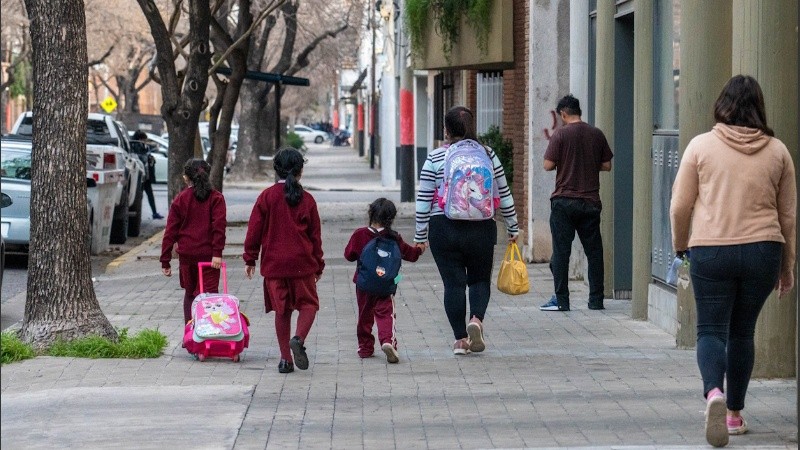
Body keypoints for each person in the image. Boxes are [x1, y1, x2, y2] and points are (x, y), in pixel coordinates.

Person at [670, 75, 796, 447]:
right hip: (763, 250)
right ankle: (735, 415)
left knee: (710, 330)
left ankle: (713, 393)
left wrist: (681, 245)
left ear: (721, 105)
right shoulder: (778, 151)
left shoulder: (700, 146)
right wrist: (787, 265)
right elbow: (788, 215)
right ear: (759, 107)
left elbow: (679, 205)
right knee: (742, 332)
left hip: (711, 248)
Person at [414, 106, 519, 356]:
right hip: (481, 228)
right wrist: (513, 226)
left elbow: (424, 199)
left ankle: (460, 340)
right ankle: (476, 320)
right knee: (480, 280)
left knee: (453, 285)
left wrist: (420, 236)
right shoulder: (488, 154)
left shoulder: (435, 158)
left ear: (446, 130)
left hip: (444, 228)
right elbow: (504, 193)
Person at [243, 147, 325, 374]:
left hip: (274, 266)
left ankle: (285, 360)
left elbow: (254, 231)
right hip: (302, 264)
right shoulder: (307, 200)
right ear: (300, 172)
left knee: (282, 311)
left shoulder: (266, 197)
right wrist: (318, 264)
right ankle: (298, 339)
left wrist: (250, 258)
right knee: (309, 305)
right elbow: (315, 237)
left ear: (275, 170)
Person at [539, 94, 613, 312]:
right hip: (590, 202)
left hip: (564, 202)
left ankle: (562, 300)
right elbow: (607, 165)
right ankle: (596, 300)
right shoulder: (596, 134)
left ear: (563, 113)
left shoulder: (560, 135)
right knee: (594, 252)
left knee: (562, 252)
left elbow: (547, 165)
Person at [344, 198, 423, 363]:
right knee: (386, 314)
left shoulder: (359, 234)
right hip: (387, 284)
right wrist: (419, 249)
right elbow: (411, 255)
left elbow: (348, 255)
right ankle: (388, 341)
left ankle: (365, 348)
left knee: (364, 315)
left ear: (370, 213)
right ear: (391, 219)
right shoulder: (394, 238)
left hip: (363, 284)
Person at [160, 158, 227, 324]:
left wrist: (165, 260)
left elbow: (170, 231)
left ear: (185, 177)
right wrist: (217, 253)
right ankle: (208, 332)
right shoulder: (216, 198)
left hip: (187, 256)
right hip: (210, 257)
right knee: (209, 295)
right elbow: (219, 228)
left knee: (190, 294)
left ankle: (190, 335)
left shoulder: (180, 199)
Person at [131, 130, 164, 220]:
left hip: (145, 175)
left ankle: (152, 213)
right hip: (141, 175)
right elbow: (140, 158)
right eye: (144, 139)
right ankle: (150, 213)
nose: (145, 141)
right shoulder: (136, 146)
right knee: (145, 195)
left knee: (148, 194)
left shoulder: (142, 146)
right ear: (140, 139)